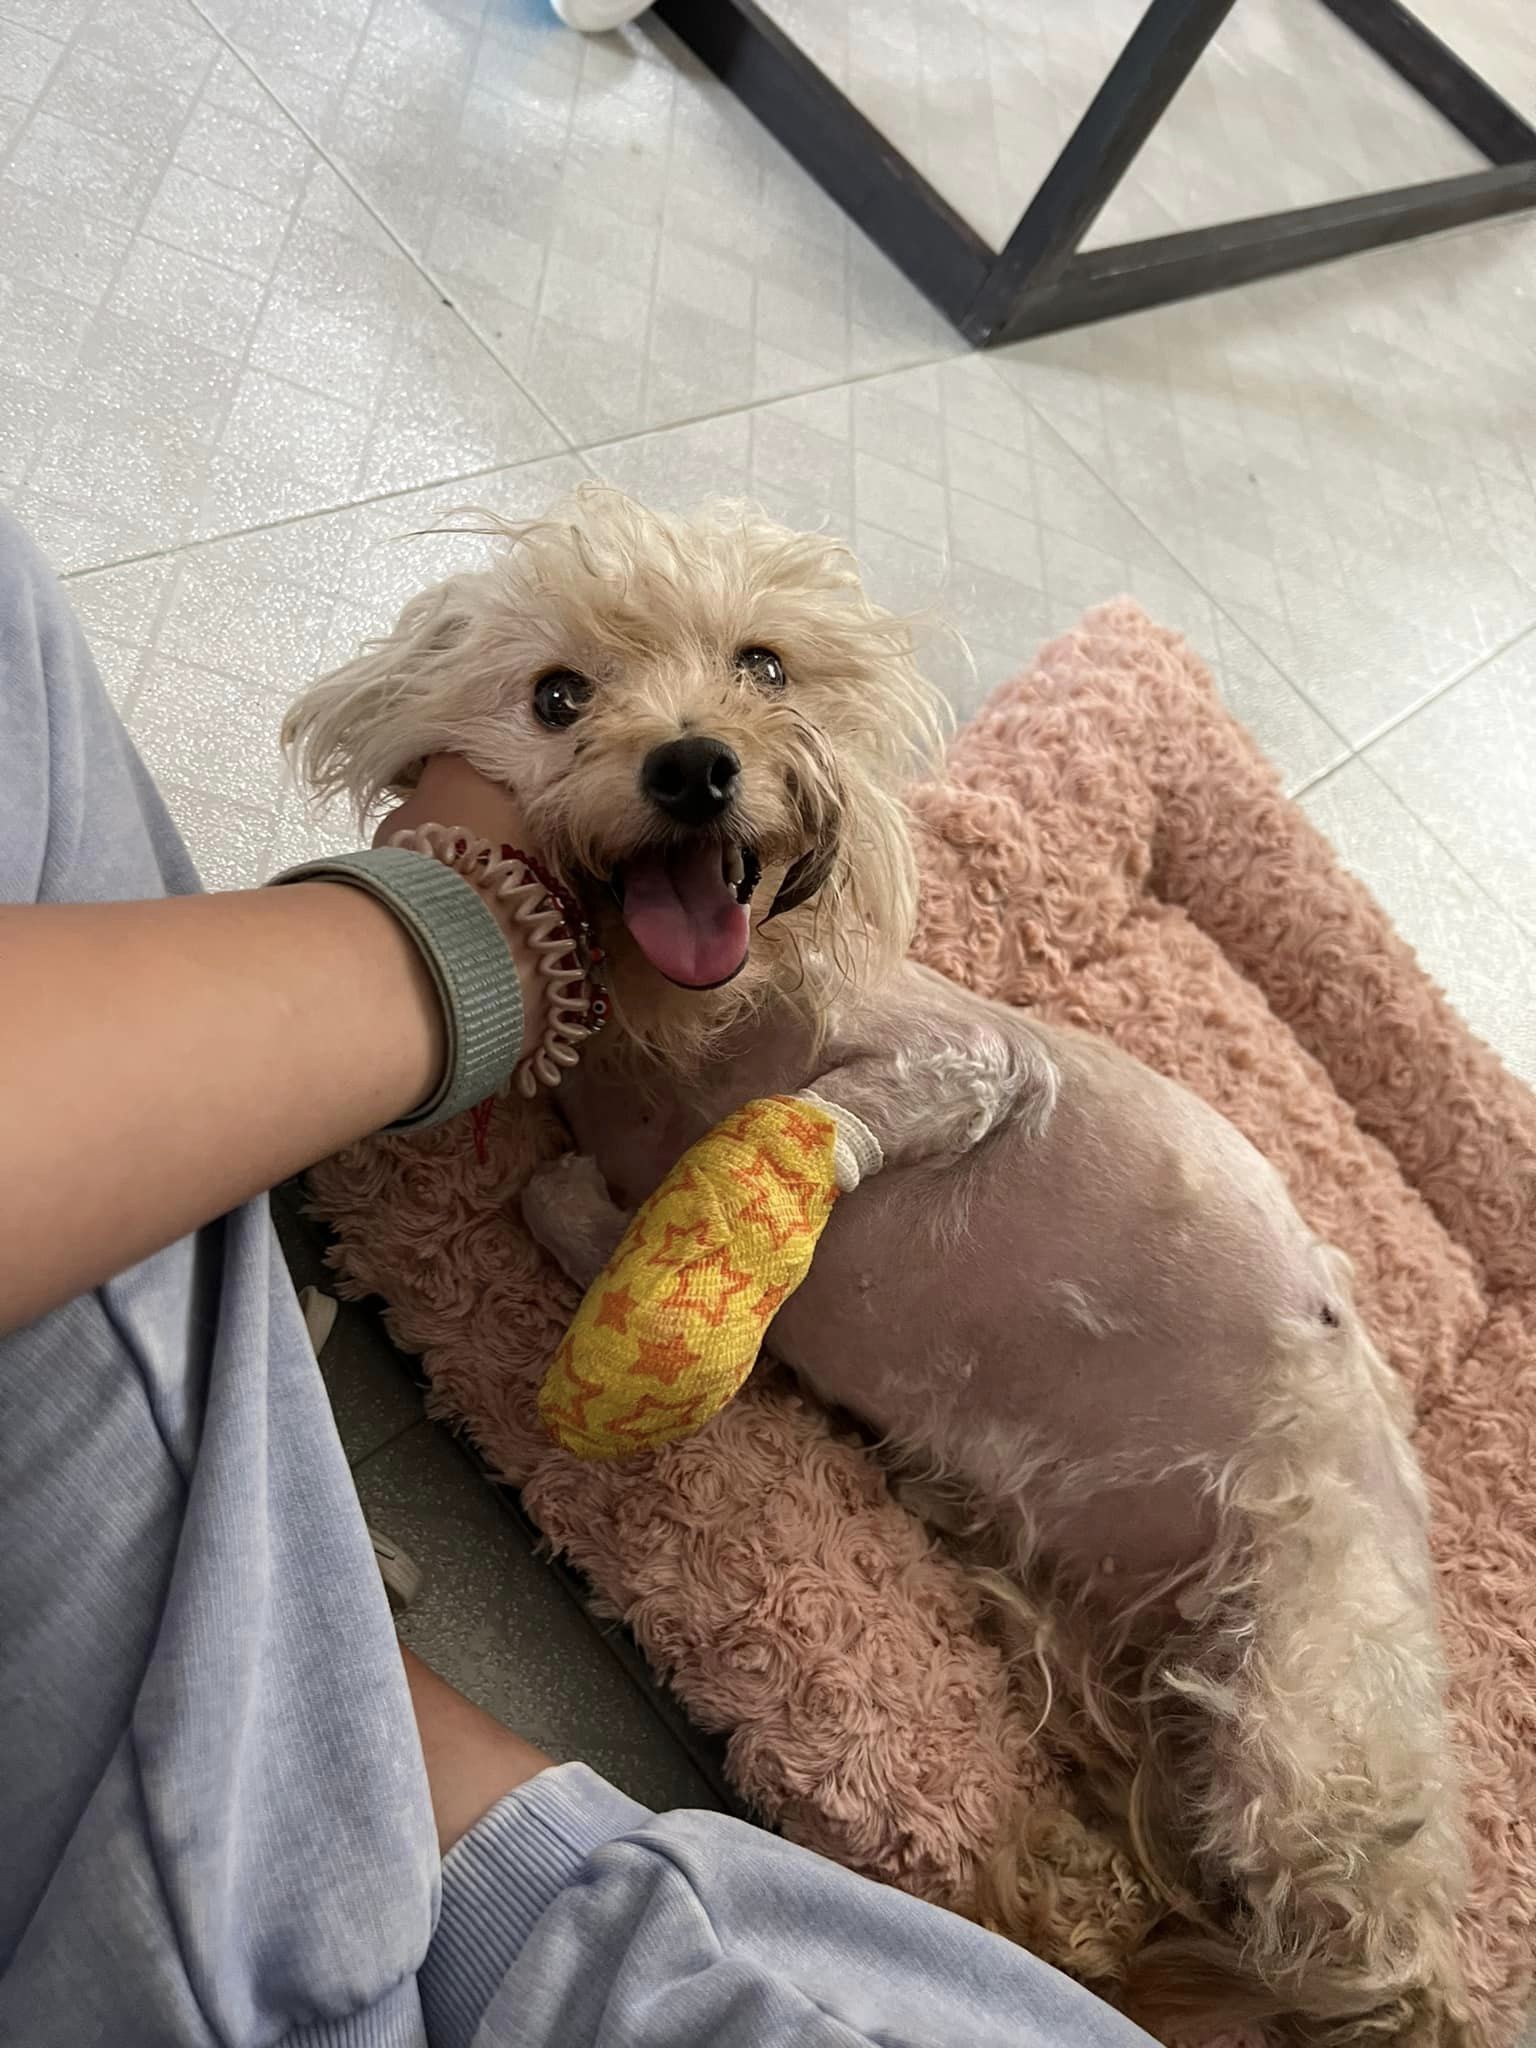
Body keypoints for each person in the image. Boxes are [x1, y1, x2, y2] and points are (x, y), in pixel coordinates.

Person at [0, 510, 1151, 2047]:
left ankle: (453, 939)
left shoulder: (880, 1031)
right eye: (564, 699)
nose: (689, 737)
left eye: (761, 665)